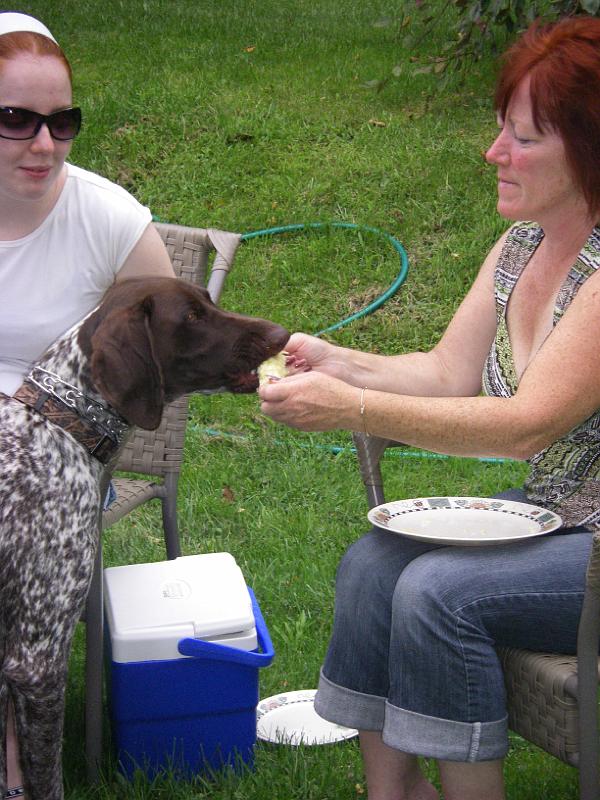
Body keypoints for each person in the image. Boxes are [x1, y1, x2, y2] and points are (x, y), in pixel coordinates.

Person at [260, 16, 600, 800]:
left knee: (438, 592)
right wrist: (340, 362)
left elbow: (527, 425)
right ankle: (395, 793)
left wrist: (352, 406)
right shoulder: (521, 244)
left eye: (523, 138)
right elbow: (450, 373)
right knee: (373, 565)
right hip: (561, 519)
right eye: (499, 130)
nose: (494, 153)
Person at [0, 12, 175, 800]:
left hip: (62, 463)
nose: (45, 144)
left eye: (62, 121)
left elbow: (164, 355)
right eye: (17, 120)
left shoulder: (110, 221)